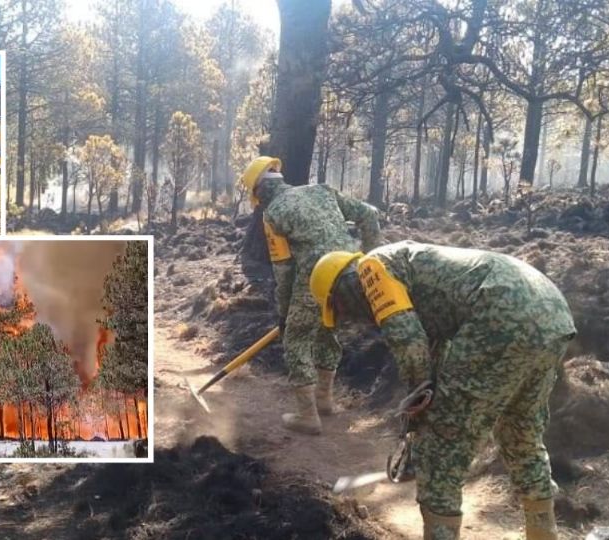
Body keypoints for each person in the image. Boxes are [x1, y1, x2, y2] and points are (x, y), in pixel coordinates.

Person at [308, 241, 576, 540]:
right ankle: (543, 532)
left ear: (342, 286)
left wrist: (420, 412)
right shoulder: (407, 265)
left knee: (440, 450)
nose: (347, 316)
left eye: (340, 308)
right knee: (520, 431)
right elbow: (437, 347)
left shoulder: (371, 269)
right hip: (552, 314)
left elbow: (409, 342)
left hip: (500, 315)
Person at [238, 156, 380, 435]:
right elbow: (370, 215)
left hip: (316, 277)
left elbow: (284, 270)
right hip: (352, 271)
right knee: (327, 330)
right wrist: (371, 259)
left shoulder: (274, 214)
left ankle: (308, 416)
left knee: (297, 337)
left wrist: (283, 312)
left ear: (259, 193)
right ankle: (325, 401)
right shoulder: (322, 190)